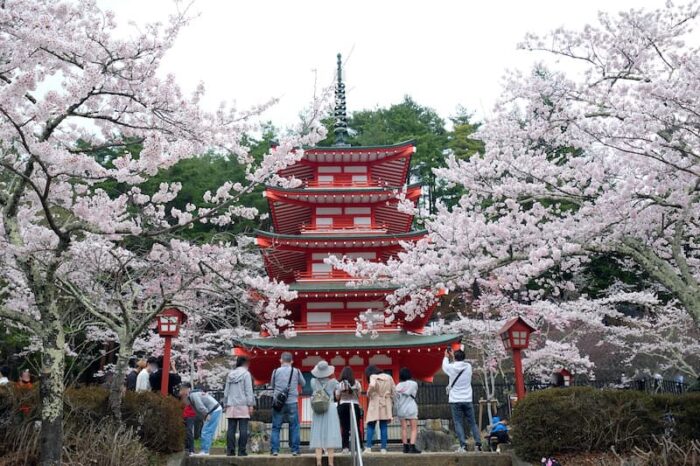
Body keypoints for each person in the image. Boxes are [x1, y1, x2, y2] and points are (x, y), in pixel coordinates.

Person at [443, 348, 482, 452]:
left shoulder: (451, 368)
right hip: (467, 399)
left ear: (455, 358)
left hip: (455, 400)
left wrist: (447, 356)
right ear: (464, 357)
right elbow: (458, 363)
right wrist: (454, 356)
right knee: (472, 423)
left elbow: (445, 367)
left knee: (458, 423)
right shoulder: (468, 367)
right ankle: (478, 444)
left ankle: (463, 446)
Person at [270, 351, 305, 456]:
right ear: (292, 361)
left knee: (276, 427)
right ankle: (295, 450)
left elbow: (272, 385)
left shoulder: (275, 371)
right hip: (292, 401)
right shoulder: (296, 371)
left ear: (281, 360)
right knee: (294, 426)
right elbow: (303, 383)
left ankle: (275, 450)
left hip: (278, 403)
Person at [309, 360, 342, 466]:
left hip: (318, 408)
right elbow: (339, 392)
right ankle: (331, 463)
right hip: (330, 407)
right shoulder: (333, 382)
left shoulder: (313, 382)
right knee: (330, 434)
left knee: (317, 434)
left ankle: (318, 463)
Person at [223, 356, 255, 457]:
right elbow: (249, 391)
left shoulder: (230, 374)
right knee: (243, 429)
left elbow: (226, 391)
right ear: (245, 363)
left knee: (231, 429)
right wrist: (250, 405)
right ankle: (242, 451)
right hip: (243, 404)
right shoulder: (246, 374)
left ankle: (230, 451)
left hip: (231, 404)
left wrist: (225, 403)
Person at [180, 383, 222, 456]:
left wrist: (206, 414)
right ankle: (205, 450)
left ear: (185, 391)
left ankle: (205, 451)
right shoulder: (192, 396)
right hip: (214, 409)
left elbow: (200, 406)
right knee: (207, 430)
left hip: (213, 410)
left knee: (206, 431)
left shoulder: (193, 395)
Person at [364, 365, 394, 454]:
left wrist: (368, 393)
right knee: (383, 426)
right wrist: (390, 398)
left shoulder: (373, 376)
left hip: (375, 402)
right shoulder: (389, 377)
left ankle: (368, 447)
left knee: (371, 425)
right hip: (385, 403)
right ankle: (383, 448)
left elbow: (372, 385)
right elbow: (394, 390)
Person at [335, 366, 363, 453]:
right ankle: (359, 447)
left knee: (345, 427)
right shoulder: (357, 383)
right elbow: (359, 395)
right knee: (356, 426)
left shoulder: (339, 384)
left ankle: (345, 447)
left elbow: (337, 397)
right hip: (354, 405)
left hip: (343, 405)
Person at [395, 367, 421, 454]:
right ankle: (412, 446)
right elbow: (413, 392)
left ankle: (405, 447)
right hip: (411, 408)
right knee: (414, 428)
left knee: (403, 428)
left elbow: (396, 398)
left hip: (401, 409)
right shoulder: (413, 384)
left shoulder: (398, 386)